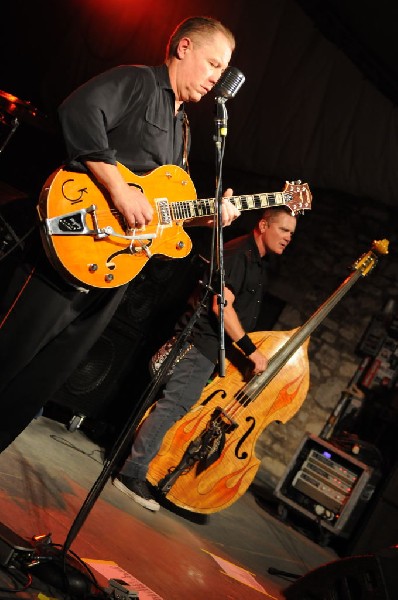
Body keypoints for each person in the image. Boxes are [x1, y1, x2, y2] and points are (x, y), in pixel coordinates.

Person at [0, 16, 240, 453]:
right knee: (9, 355)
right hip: (70, 247)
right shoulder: (137, 82)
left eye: (222, 71)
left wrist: (209, 217)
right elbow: (80, 111)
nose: (216, 80)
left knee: (39, 381)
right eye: (213, 64)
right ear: (184, 48)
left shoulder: (182, 128)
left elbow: (163, 210)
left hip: (112, 271)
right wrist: (118, 188)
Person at [113, 205, 297, 511]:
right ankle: (131, 474)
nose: (289, 237)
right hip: (200, 346)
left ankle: (135, 469)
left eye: (292, 233)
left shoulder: (256, 260)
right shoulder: (240, 253)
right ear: (264, 226)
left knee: (175, 407)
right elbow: (220, 306)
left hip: (209, 350)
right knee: (173, 407)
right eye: (284, 230)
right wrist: (251, 350)